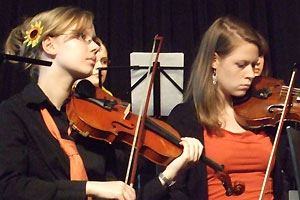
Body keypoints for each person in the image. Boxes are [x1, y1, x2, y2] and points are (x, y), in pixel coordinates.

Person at [0, 6, 204, 200]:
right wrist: (90, 188)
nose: (96, 47)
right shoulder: (13, 114)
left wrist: (169, 174)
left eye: (93, 39)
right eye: (82, 37)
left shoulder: (92, 122)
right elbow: (9, 187)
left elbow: (125, 195)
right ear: (49, 45)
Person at [162, 16, 293, 200]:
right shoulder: (187, 117)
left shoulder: (266, 118)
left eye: (254, 65)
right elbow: (177, 190)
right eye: (241, 65)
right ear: (214, 60)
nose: (250, 74)